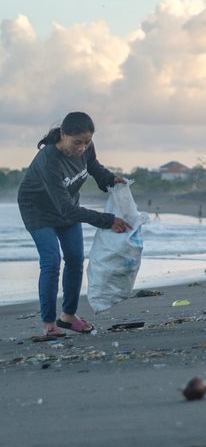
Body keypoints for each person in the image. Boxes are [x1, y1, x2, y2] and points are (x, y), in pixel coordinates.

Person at [17, 112, 132, 337]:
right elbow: (67, 210)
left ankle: (68, 316)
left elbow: (92, 165)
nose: (82, 147)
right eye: (77, 142)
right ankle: (50, 324)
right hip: (37, 210)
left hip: (66, 206)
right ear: (63, 135)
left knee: (76, 259)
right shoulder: (49, 160)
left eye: (86, 142)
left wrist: (109, 179)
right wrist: (107, 221)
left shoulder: (87, 147)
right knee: (51, 262)